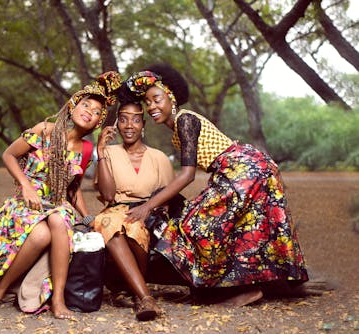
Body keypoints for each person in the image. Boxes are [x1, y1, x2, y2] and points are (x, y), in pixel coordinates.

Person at [124, 63, 308, 307]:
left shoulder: (185, 120)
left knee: (195, 226)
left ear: (171, 97)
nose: (151, 107)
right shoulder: (178, 129)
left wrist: (148, 206)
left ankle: (233, 291)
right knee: (245, 229)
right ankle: (254, 287)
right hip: (247, 168)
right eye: (147, 103)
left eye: (156, 99)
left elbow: (187, 175)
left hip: (242, 169)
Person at [0, 71, 122, 319]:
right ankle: (0, 290)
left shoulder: (87, 149)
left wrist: (86, 217)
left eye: (95, 112)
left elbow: (73, 189)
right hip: (27, 204)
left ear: (97, 123)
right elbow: (8, 155)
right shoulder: (45, 130)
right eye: (85, 105)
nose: (89, 111)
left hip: (57, 206)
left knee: (59, 218)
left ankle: (58, 300)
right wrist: (26, 185)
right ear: (72, 106)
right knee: (39, 235)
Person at [92, 86, 175, 321]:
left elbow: (167, 201)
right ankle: (145, 297)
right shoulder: (108, 151)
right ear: (117, 124)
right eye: (123, 120)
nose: (129, 126)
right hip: (115, 210)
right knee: (108, 221)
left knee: (134, 226)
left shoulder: (159, 157)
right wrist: (101, 152)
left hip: (148, 214)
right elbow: (108, 195)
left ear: (143, 126)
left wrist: (149, 212)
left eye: (136, 120)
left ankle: (133, 290)